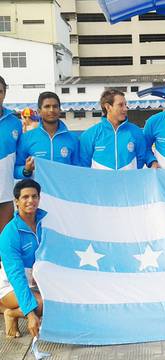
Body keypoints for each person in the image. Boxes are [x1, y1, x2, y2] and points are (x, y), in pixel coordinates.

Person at [0, 179, 45, 338]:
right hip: (11, 286)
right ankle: (11, 313)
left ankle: (12, 309)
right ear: (16, 201)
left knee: (64, 300)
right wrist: (31, 315)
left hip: (39, 283)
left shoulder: (45, 223)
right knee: (43, 305)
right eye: (25, 197)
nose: (31, 201)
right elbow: (16, 277)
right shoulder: (9, 233)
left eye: (34, 196)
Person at [14, 92, 79, 179]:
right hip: (37, 191)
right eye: (47, 106)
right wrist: (26, 170)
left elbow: (79, 169)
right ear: (39, 111)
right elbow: (15, 170)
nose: (51, 110)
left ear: (60, 110)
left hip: (64, 191)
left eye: (55, 106)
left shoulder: (73, 139)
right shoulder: (26, 138)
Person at [79, 89, 146, 170]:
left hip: (128, 182)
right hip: (100, 182)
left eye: (125, 104)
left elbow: (141, 159)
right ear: (108, 107)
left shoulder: (136, 132)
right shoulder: (90, 135)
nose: (125, 109)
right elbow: (84, 166)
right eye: (120, 105)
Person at [0, 76, 22, 235]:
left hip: (6, 193)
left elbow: (20, 161)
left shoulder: (15, 123)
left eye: (0, 91)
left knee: (4, 238)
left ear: (5, 93)